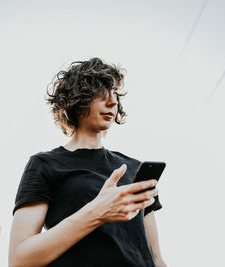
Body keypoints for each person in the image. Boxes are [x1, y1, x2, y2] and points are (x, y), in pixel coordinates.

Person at [9, 58, 167, 267]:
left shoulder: (134, 168)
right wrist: (97, 211)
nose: (112, 102)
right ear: (77, 99)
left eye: (116, 95)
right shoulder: (45, 164)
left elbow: (155, 258)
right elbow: (20, 259)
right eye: (102, 94)